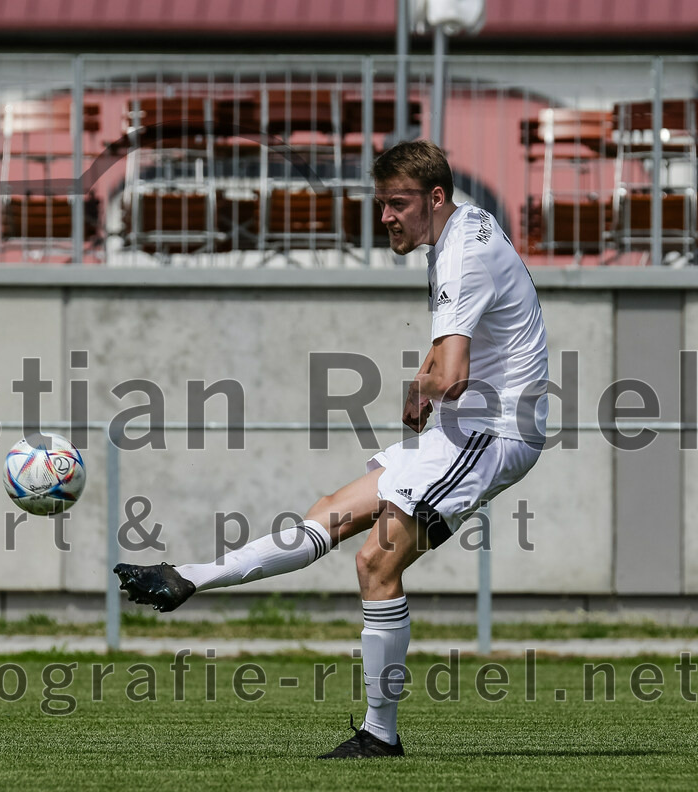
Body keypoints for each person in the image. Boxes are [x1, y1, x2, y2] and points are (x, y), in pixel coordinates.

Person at [115, 139, 549, 759]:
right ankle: (189, 577)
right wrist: (424, 384)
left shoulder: (462, 254)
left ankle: (379, 734)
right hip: (464, 428)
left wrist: (422, 387)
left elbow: (452, 374)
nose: (386, 217)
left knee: (376, 563)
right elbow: (457, 344)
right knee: (330, 513)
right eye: (381, 203)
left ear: (435, 197)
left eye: (398, 204)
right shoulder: (463, 227)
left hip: (493, 431)